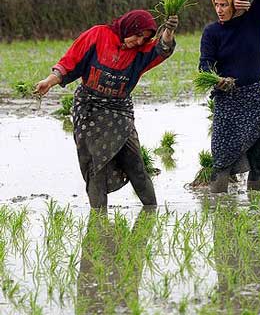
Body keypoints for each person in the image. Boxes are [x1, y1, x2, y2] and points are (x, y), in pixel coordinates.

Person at [34, 10, 178, 207]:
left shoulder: (140, 52)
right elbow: (70, 61)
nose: (138, 41)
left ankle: (151, 212)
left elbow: (162, 49)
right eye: (137, 35)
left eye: (144, 39)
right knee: (96, 167)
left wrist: (168, 32)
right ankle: (98, 221)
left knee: (135, 164)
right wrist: (49, 81)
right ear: (128, 27)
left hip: (119, 110)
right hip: (90, 109)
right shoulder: (98, 35)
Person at [199, 0, 260, 193]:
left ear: (234, 4)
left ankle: (256, 206)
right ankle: (218, 207)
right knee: (221, 158)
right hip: (229, 102)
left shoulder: (254, 20)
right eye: (216, 4)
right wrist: (216, 80)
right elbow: (205, 65)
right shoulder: (212, 32)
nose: (219, 10)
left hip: (257, 101)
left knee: (258, 160)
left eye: (224, 4)